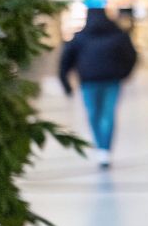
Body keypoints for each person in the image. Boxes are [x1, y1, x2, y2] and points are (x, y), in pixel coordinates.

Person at [58, 9, 139, 169]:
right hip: (111, 80)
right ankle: (105, 149)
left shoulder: (80, 38)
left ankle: (101, 147)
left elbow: (65, 63)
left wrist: (66, 84)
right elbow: (132, 56)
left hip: (90, 82)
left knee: (94, 114)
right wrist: (124, 74)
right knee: (108, 115)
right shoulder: (118, 36)